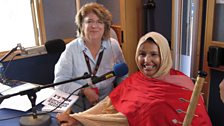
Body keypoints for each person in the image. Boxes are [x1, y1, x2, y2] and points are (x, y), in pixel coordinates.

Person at [56, 32, 212, 126]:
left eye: (154, 54)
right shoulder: (135, 80)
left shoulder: (184, 83)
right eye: (142, 54)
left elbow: (199, 119)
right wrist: (78, 119)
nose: (146, 60)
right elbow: (110, 109)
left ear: (164, 55)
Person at [54, 2, 126, 112]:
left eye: (99, 22)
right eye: (89, 21)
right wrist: (84, 90)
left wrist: (121, 97)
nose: (94, 26)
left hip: (108, 106)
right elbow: (60, 83)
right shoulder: (71, 50)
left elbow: (122, 75)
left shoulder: (113, 46)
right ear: (81, 25)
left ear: (105, 26)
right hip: (80, 110)